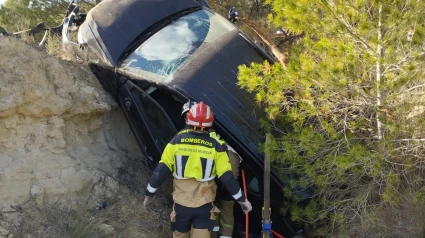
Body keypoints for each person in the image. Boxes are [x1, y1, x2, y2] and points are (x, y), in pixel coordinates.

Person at [143, 101, 252, 238]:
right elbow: (227, 178)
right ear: (210, 123)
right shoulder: (216, 146)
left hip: (181, 206)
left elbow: (160, 171)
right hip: (204, 208)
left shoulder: (175, 142)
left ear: (188, 120)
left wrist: (149, 193)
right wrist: (242, 200)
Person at [181, 100, 242, 238]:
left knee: (211, 210)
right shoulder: (219, 136)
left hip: (218, 178)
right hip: (232, 179)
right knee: (227, 211)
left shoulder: (199, 139)